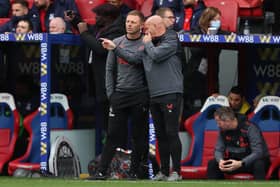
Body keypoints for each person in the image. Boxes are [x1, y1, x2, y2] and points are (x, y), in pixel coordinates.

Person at [102, 15, 183, 181]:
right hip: (154, 94)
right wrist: (114, 48)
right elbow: (134, 59)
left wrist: (146, 43)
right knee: (160, 134)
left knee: (171, 133)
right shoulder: (149, 42)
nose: (145, 31)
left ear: (157, 26)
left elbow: (156, 55)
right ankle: (164, 171)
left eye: (147, 27)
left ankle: (177, 172)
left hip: (170, 92)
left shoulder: (171, 38)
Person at [92, 10, 149, 180]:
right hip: (120, 96)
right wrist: (111, 94)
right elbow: (109, 70)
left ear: (141, 25)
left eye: (133, 22)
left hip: (139, 95)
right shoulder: (117, 42)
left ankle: (134, 172)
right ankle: (102, 171)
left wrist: (115, 49)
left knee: (138, 136)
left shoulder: (144, 43)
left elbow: (136, 59)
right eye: (128, 21)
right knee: (112, 135)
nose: (129, 24)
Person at [77, 3, 125, 154]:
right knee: (105, 125)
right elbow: (89, 31)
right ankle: (107, 157)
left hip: (112, 86)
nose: (95, 18)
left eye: (98, 16)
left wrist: (84, 34)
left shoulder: (117, 31)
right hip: (100, 85)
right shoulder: (101, 29)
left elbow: (100, 48)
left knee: (115, 126)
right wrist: (75, 20)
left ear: (108, 18)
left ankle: (118, 155)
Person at [182, 7, 230, 119]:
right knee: (192, 108)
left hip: (212, 75)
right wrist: (208, 38)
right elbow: (195, 51)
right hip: (194, 76)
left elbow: (230, 34)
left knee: (211, 103)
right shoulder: (196, 31)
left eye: (219, 19)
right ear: (208, 20)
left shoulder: (219, 32)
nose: (218, 22)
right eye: (216, 19)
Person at [207, 106, 270, 180]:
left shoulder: (250, 128)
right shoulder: (223, 131)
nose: (217, 125)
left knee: (259, 164)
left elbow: (258, 152)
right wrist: (220, 161)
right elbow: (218, 150)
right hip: (235, 161)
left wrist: (241, 163)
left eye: (219, 122)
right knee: (212, 163)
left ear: (227, 121)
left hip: (251, 161)